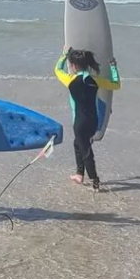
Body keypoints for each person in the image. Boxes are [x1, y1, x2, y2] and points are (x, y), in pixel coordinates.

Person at [54, 47, 121, 192]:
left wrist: (64, 55)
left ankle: (95, 181)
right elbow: (116, 85)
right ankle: (79, 174)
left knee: (85, 150)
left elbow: (57, 70)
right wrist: (113, 67)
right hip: (93, 121)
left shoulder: (70, 80)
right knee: (78, 144)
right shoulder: (95, 80)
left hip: (80, 122)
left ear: (73, 66)